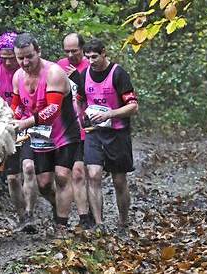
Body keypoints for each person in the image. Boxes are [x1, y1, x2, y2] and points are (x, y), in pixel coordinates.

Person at [11, 33, 80, 235]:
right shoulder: (18, 76)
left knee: (61, 177)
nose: (25, 62)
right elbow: (16, 106)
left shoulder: (54, 73)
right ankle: (58, 206)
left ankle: (61, 225)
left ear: (38, 52)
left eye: (29, 56)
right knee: (43, 184)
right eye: (20, 58)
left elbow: (53, 110)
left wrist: (25, 122)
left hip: (64, 132)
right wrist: (13, 119)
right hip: (39, 136)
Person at [76, 38, 138, 233]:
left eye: (94, 56)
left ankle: (123, 222)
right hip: (94, 132)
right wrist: (82, 117)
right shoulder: (84, 74)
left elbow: (133, 106)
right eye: (87, 57)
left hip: (117, 132)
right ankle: (99, 225)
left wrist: (109, 113)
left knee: (119, 180)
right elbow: (79, 100)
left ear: (104, 53)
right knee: (93, 175)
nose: (91, 61)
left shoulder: (118, 74)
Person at [0, 32, 39, 231]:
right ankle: (22, 216)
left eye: (11, 58)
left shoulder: (27, 70)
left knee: (29, 168)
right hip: (0, 128)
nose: (7, 62)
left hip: (25, 124)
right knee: (12, 177)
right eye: (3, 58)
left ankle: (31, 213)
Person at [57, 33, 92, 229]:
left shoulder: (90, 65)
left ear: (83, 50)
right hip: (64, 128)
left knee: (80, 173)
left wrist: (78, 79)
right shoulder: (59, 66)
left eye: (74, 51)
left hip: (86, 127)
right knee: (63, 175)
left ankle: (85, 217)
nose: (70, 55)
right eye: (67, 51)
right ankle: (63, 217)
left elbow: (92, 94)